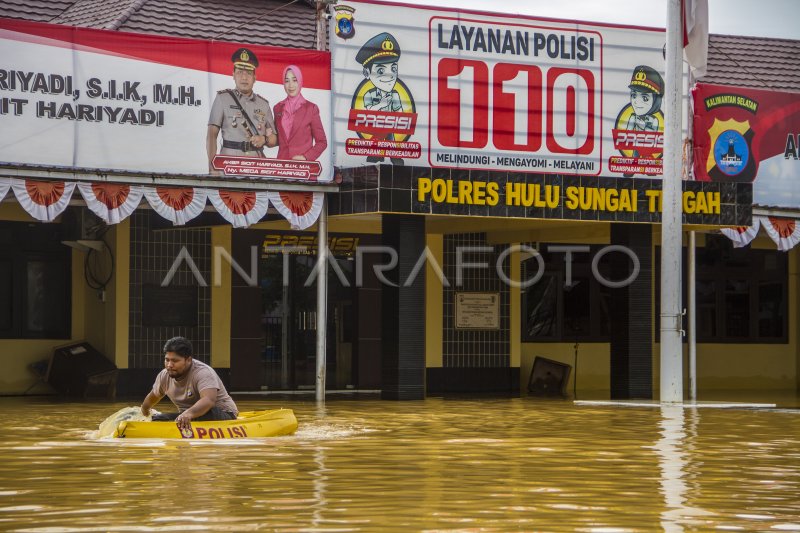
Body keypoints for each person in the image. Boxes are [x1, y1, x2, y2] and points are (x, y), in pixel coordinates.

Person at [141, 336, 239, 431]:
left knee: (207, 412)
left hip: (222, 414)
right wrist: (144, 411)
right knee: (158, 418)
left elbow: (209, 400)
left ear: (188, 360)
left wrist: (188, 414)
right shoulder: (164, 375)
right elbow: (153, 396)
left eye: (175, 361)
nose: (169, 365)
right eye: (167, 360)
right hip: (188, 415)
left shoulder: (203, 372)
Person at [207, 47, 277, 174]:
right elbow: (211, 135)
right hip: (228, 166)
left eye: (249, 73)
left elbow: (275, 139)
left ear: (255, 77)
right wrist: (212, 167)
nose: (244, 77)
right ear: (233, 75)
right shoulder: (223, 98)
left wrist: (264, 140)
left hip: (257, 166)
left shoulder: (264, 104)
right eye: (240, 72)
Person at [273, 65, 328, 162]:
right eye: (287, 81)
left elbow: (322, 142)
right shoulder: (277, 108)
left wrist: (306, 157)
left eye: (294, 80)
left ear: (300, 81)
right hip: (282, 166)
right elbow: (279, 139)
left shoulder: (311, 108)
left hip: (303, 168)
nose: (290, 85)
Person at [625, 65, 664, 132]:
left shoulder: (654, 120)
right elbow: (627, 134)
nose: (636, 102)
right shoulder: (633, 118)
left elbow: (651, 136)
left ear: (655, 101)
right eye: (634, 95)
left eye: (645, 98)